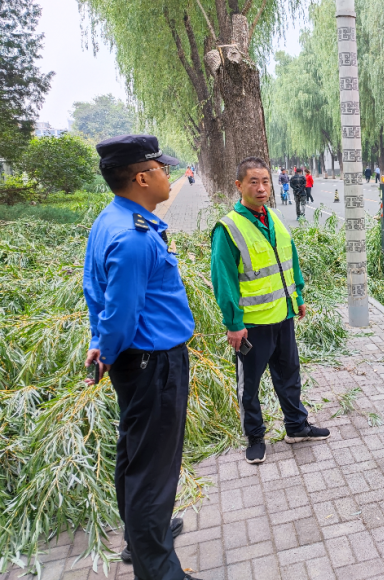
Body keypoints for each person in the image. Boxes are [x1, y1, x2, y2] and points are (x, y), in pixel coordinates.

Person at [83, 135, 197, 580]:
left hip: (137, 362)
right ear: (142, 177)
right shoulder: (132, 237)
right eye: (162, 168)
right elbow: (121, 311)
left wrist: (104, 347)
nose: (170, 175)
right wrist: (106, 347)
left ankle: (141, 535)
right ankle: (159, 569)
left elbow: (104, 301)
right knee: (153, 470)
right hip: (153, 364)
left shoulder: (114, 221)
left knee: (135, 453)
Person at [211, 157, 329, 464]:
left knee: (289, 375)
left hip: (283, 316)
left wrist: (298, 295)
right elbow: (223, 281)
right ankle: (255, 437)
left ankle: (297, 426)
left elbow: (291, 259)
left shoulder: (273, 218)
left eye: (265, 181)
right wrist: (233, 323)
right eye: (254, 182)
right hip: (251, 325)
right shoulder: (228, 229)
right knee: (249, 386)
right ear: (239, 186)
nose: (262, 188)